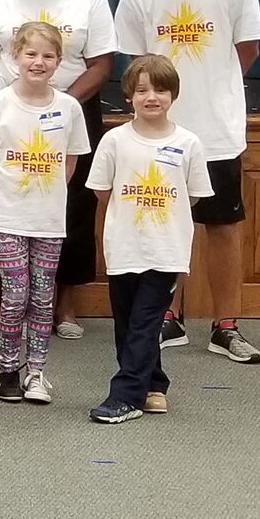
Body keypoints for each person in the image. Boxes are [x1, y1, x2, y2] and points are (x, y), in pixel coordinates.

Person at [112, 0, 260, 363]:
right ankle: (168, 318)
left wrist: (211, 89)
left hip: (216, 131)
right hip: (157, 133)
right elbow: (138, 66)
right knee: (160, 220)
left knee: (222, 226)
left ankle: (226, 326)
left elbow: (248, 49)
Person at [0, 0, 115, 338]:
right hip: (9, 113)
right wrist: (5, 102)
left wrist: (63, 104)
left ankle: (63, 308)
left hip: (72, 111)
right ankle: (8, 305)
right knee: (8, 202)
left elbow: (103, 63)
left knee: (72, 207)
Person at [0, 23, 90, 406]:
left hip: (48, 219)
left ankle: (36, 372)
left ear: (59, 62)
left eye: (48, 56)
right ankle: (7, 371)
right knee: (16, 294)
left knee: (42, 295)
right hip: (5, 217)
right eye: (31, 54)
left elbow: (69, 161)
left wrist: (48, 194)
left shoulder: (68, 108)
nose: (38, 62)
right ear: (15, 57)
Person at [87, 56, 212, 423]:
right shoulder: (114, 140)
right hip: (124, 248)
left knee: (145, 322)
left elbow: (191, 196)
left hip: (166, 251)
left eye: (159, 89)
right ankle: (154, 384)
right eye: (142, 90)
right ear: (129, 96)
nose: (151, 97)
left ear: (173, 94)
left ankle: (124, 396)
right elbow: (103, 192)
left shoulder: (188, 143)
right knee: (127, 324)